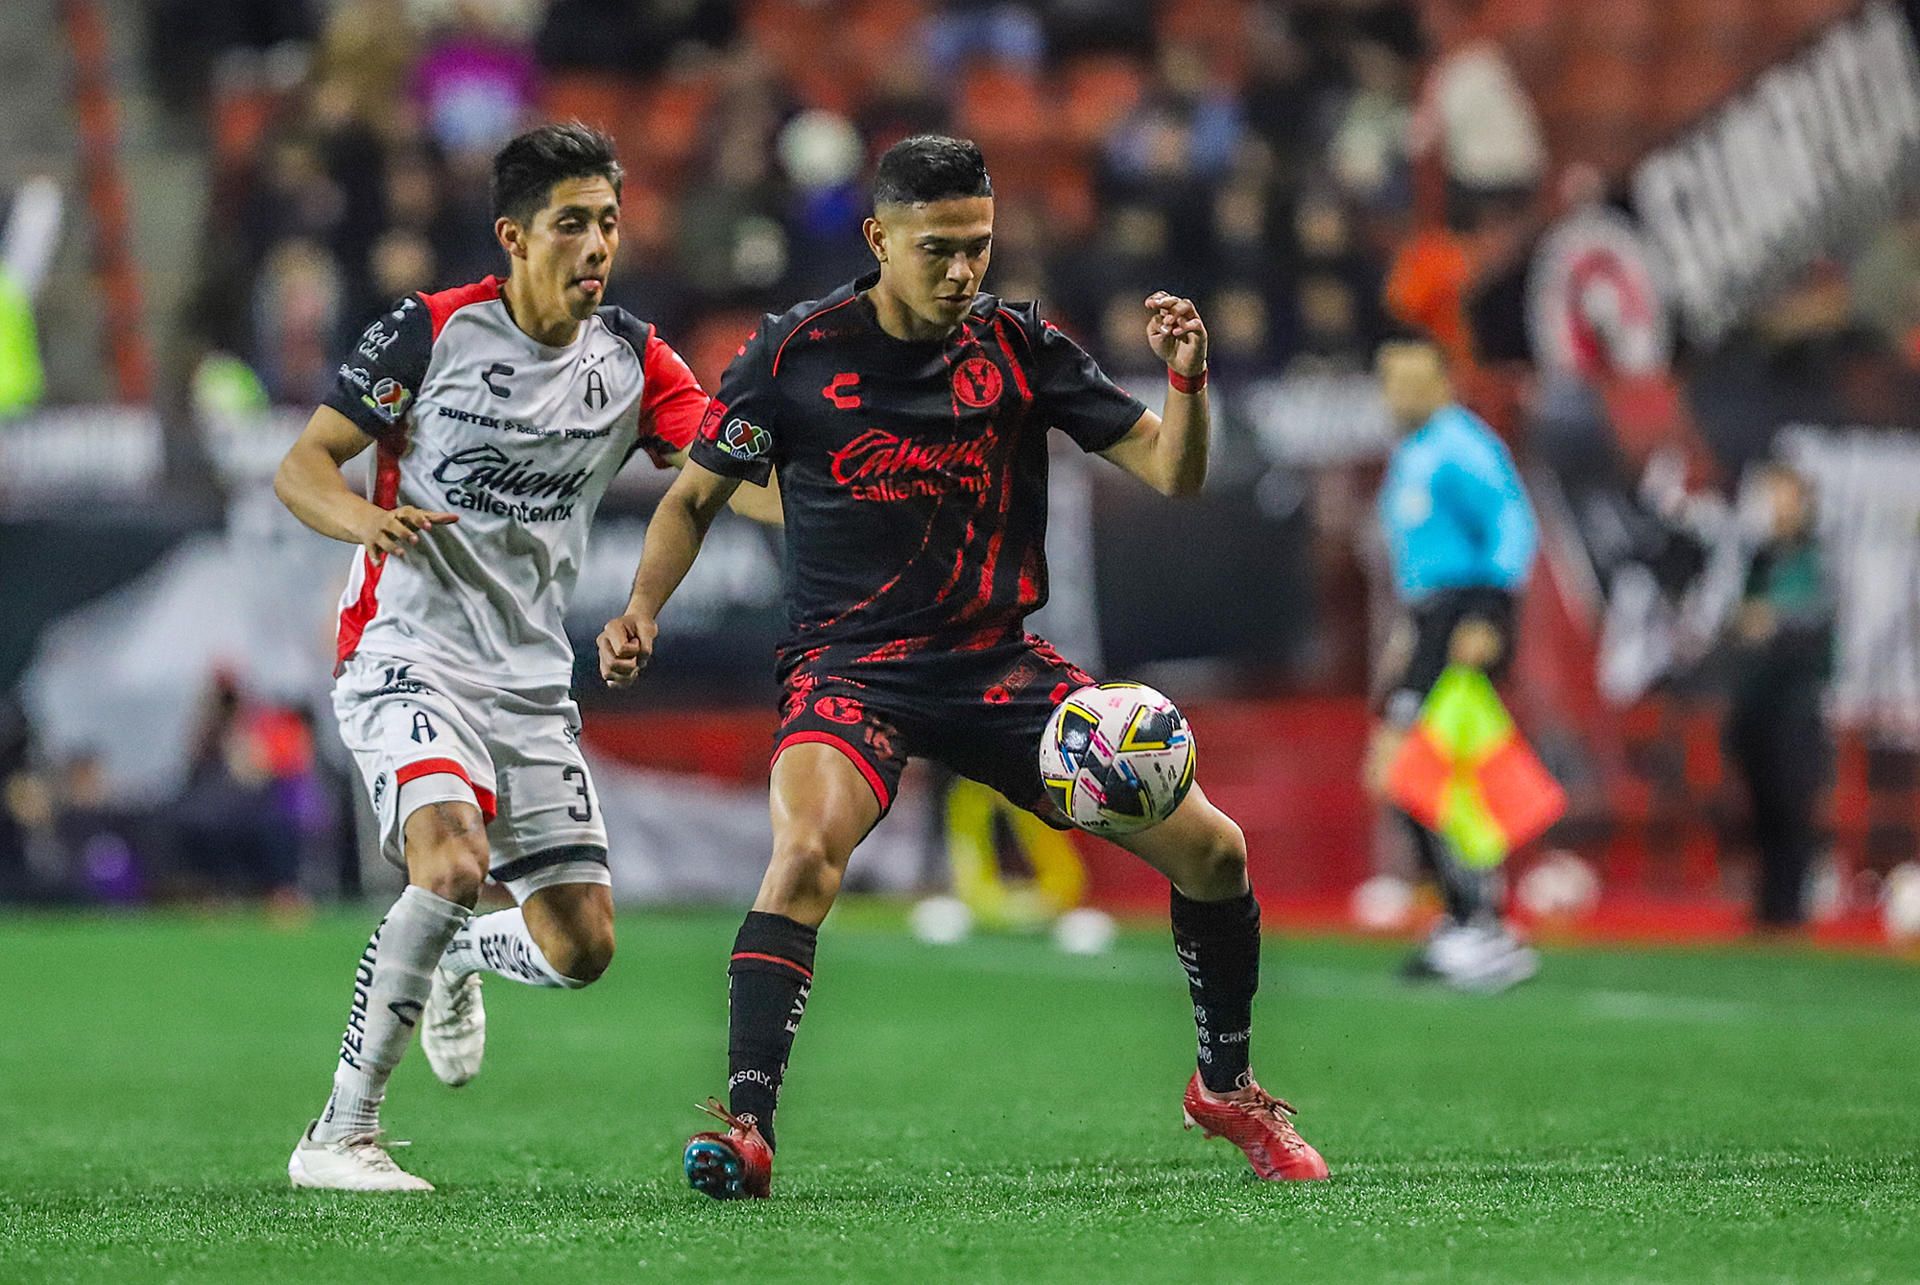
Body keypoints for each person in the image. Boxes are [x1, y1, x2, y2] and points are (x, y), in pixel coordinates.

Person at [599, 135, 1330, 1199]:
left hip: (996, 667)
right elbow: (693, 497)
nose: (960, 273)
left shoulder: (1020, 348)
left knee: (1216, 851)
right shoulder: (795, 352)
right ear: (878, 239)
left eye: (977, 249)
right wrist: (640, 610)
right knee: (804, 854)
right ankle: (747, 1124)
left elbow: (1175, 472)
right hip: (850, 671)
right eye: (937, 249)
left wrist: (1189, 382)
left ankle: (1227, 1087)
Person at [274, 122, 775, 1192]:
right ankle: (339, 1134)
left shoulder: (633, 359)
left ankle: (453, 949)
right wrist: (362, 524)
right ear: (513, 235)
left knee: (581, 946)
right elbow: (304, 466)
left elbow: (723, 468)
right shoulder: (431, 331)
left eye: (607, 223)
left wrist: (838, 501)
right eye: (572, 225)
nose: (597, 245)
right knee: (448, 862)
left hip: (530, 679)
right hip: (404, 648)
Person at [1365, 333, 1539, 991]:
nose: (1397, 392)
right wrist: (1409, 635)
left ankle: (1482, 922)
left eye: (1411, 378)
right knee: (1411, 769)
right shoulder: (1414, 453)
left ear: (1443, 382)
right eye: (1390, 379)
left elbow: (1512, 524)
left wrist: (1487, 619)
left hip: (1466, 612)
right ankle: (1464, 915)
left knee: (1434, 769)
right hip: (1430, 617)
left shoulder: (1462, 447)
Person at [1724, 461, 1832, 931]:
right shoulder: (1761, 557)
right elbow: (1737, 618)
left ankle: (1793, 908)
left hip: (1796, 702)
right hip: (1757, 700)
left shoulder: (1817, 556)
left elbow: (1817, 616)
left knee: (1792, 805)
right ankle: (1769, 905)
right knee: (1761, 805)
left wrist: (1774, 621)